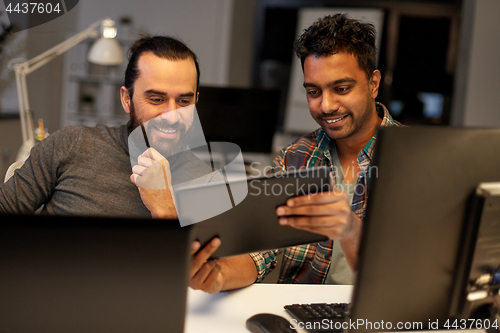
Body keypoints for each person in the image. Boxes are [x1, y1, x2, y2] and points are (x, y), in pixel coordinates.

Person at [0, 35, 248, 292]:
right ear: (127, 99)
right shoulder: (71, 144)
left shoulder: (208, 181)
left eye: (184, 101)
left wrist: (165, 208)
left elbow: (247, 263)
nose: (172, 116)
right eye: (156, 99)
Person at [186, 13, 404, 291]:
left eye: (341, 88)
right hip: (304, 316)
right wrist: (218, 275)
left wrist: (350, 231)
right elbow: (261, 252)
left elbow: (422, 271)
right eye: (313, 92)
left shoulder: (419, 160)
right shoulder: (295, 158)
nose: (326, 106)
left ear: (373, 84)